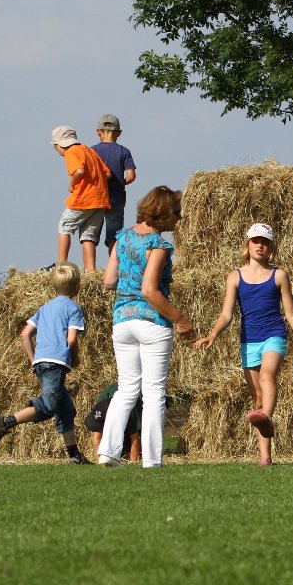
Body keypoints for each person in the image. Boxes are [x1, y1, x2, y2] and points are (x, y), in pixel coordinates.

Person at [193, 223, 293, 466]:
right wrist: (213, 335)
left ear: (270, 247)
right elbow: (226, 314)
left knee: (267, 374)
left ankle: (267, 418)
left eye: (264, 242)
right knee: (258, 400)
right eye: (255, 241)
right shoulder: (234, 276)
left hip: (274, 335)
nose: (260, 245)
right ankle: (265, 457)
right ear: (248, 245)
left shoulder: (279, 275)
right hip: (249, 340)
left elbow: (291, 313)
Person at [98, 186, 197, 468]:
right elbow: (150, 290)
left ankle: (107, 452)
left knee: (126, 388)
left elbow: (109, 281)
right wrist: (180, 319)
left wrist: (129, 278)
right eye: (176, 213)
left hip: (122, 321)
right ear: (165, 214)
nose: (178, 219)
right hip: (152, 323)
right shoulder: (158, 245)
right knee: (154, 393)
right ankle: (152, 460)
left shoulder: (122, 238)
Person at [0, 264, 89, 464]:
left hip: (41, 361)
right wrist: (75, 358)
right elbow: (71, 340)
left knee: (66, 410)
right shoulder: (73, 308)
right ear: (77, 287)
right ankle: (5, 423)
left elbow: (25, 334)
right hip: (56, 362)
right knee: (49, 406)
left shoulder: (44, 308)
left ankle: (74, 455)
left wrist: (33, 359)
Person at [51, 125, 111, 273]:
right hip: (100, 200)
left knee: (64, 226)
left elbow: (79, 171)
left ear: (59, 145)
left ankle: (62, 265)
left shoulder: (71, 152)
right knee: (88, 235)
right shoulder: (89, 151)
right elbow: (107, 174)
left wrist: (72, 184)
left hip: (83, 199)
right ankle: (90, 271)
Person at [89, 114, 138, 254]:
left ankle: (90, 265)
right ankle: (113, 263)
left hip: (96, 197)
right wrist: (120, 183)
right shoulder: (124, 151)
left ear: (98, 131)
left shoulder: (91, 151)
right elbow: (131, 176)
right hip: (116, 197)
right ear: (119, 133)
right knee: (114, 235)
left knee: (90, 235)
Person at [84, 382, 142, 464]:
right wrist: (100, 462)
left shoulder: (128, 412)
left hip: (140, 396)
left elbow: (135, 438)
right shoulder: (100, 406)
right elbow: (97, 438)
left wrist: (133, 463)